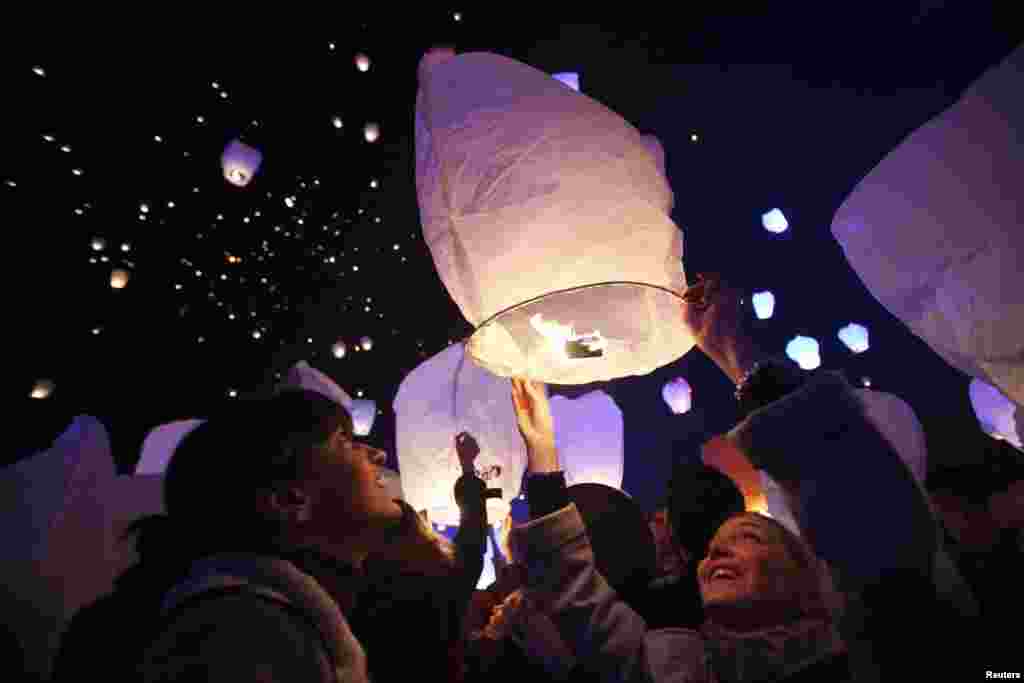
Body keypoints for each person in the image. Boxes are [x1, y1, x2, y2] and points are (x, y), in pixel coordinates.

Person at [503, 270, 973, 680]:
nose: (715, 553)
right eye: (713, 548)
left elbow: (858, 511)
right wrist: (542, 452)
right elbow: (576, 594)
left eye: (748, 536)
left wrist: (739, 355)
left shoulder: (871, 647)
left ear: (807, 569)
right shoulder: (676, 668)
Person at [54, 389, 449, 683]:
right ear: (290, 499)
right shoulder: (243, 637)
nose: (377, 455)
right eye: (345, 443)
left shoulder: (279, 617)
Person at [349, 431, 491, 683]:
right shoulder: (444, 588)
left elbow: (472, 537)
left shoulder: (352, 593)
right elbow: (473, 534)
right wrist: (468, 466)